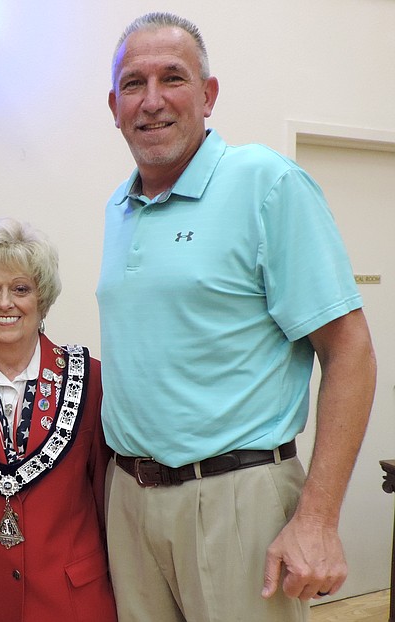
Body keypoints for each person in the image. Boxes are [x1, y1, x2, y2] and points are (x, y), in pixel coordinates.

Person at [97, 12, 377, 622]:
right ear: (113, 105)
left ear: (208, 94)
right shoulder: (120, 208)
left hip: (235, 501)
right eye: (133, 84)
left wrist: (319, 517)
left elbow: (350, 350)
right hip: (129, 502)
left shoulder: (267, 184)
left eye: (172, 78)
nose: (151, 102)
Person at [0, 218, 117, 622]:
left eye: (21, 289)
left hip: (75, 600)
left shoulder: (92, 379)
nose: (5, 303)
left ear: (41, 299)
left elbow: (108, 498)